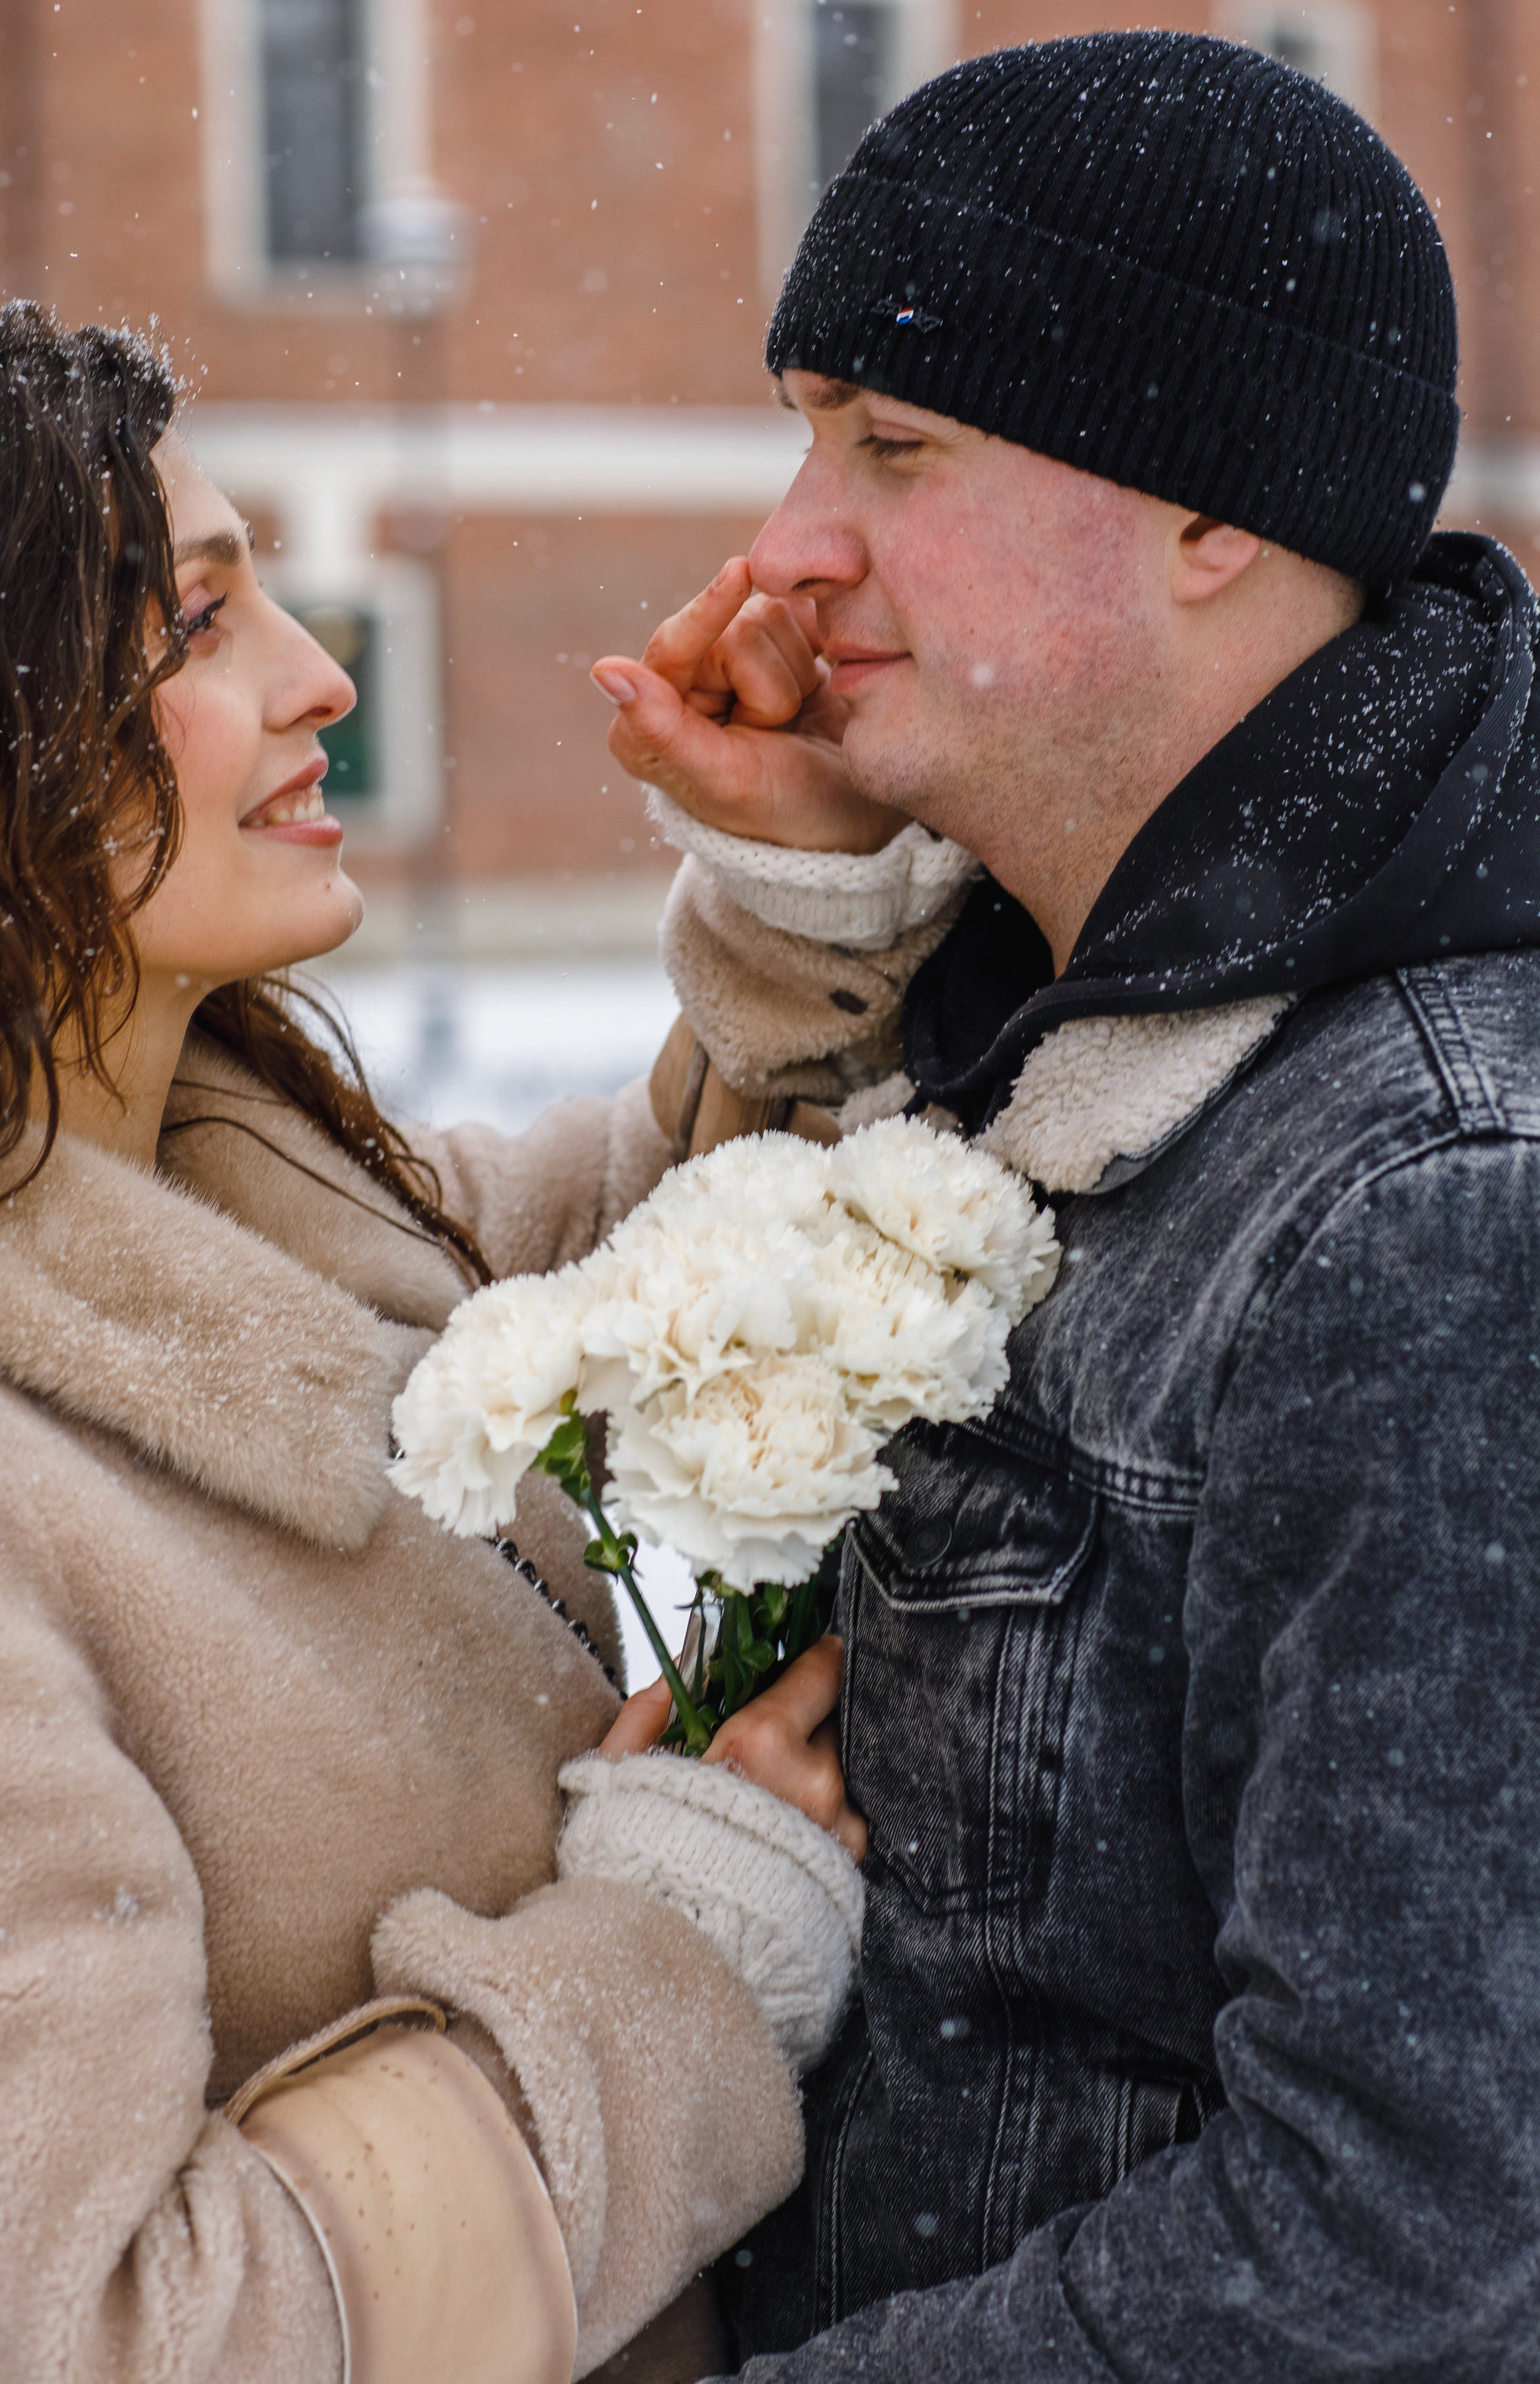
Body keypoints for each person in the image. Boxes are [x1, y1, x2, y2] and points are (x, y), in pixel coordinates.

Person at [598, 34, 1540, 2384]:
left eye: (893, 450)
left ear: (1213, 510)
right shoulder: (1068, 1062)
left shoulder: (1477, 1203)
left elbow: (1428, 2284)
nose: (794, 538)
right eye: (808, 431)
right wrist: (812, 909)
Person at [0, 301, 875, 2384]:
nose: (323, 676)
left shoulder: (252, 1180)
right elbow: (115, 2341)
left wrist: (797, 902)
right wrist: (671, 1965)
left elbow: (629, 1259)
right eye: (200, 624)